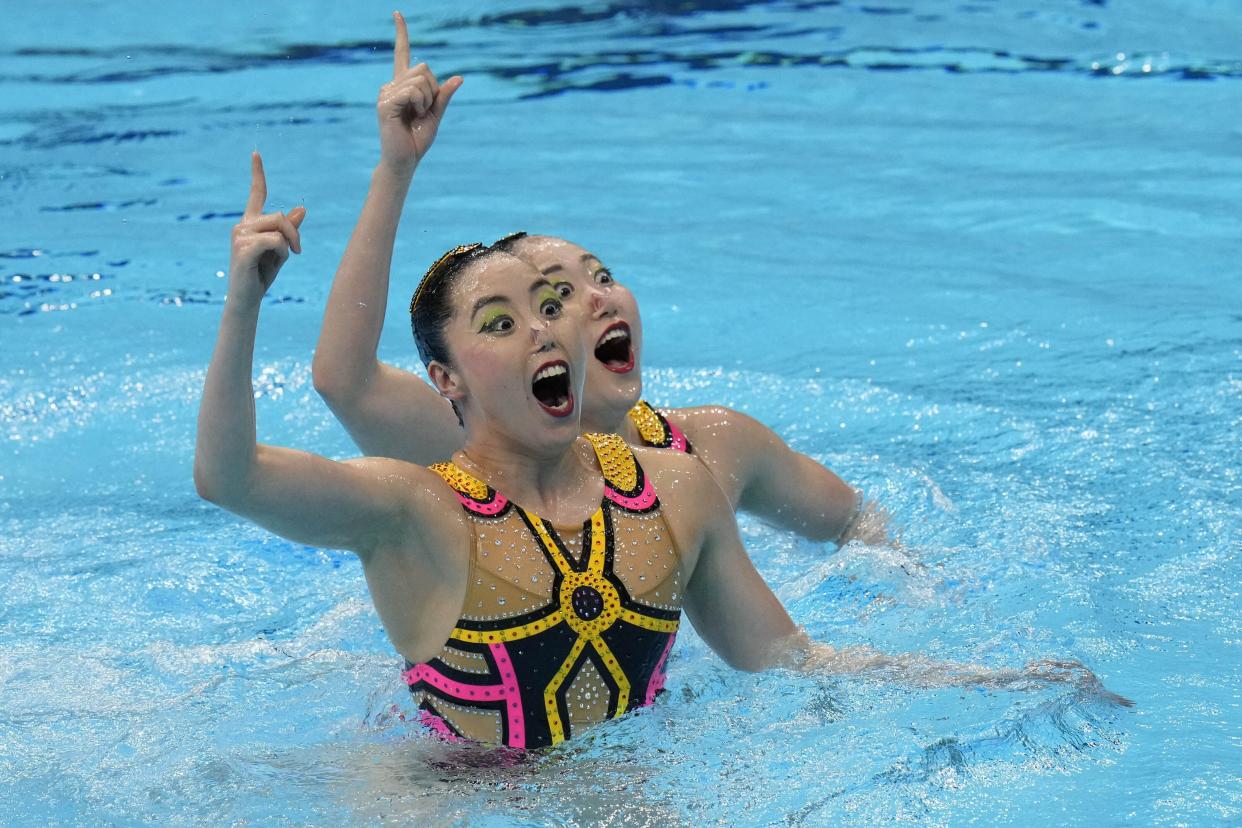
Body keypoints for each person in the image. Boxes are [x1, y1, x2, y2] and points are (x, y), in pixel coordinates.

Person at [194, 154, 1130, 750]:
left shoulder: (681, 485)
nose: (552, 325)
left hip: (624, 788)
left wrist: (994, 680)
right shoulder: (415, 508)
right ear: (449, 382)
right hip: (450, 793)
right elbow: (231, 476)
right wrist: (243, 305)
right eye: (502, 320)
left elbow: (788, 662)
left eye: (554, 303)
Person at [311, 13, 886, 551]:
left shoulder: (716, 447)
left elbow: (858, 523)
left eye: (602, 275)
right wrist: (395, 171)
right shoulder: (469, 452)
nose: (598, 298)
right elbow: (344, 379)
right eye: (556, 297)